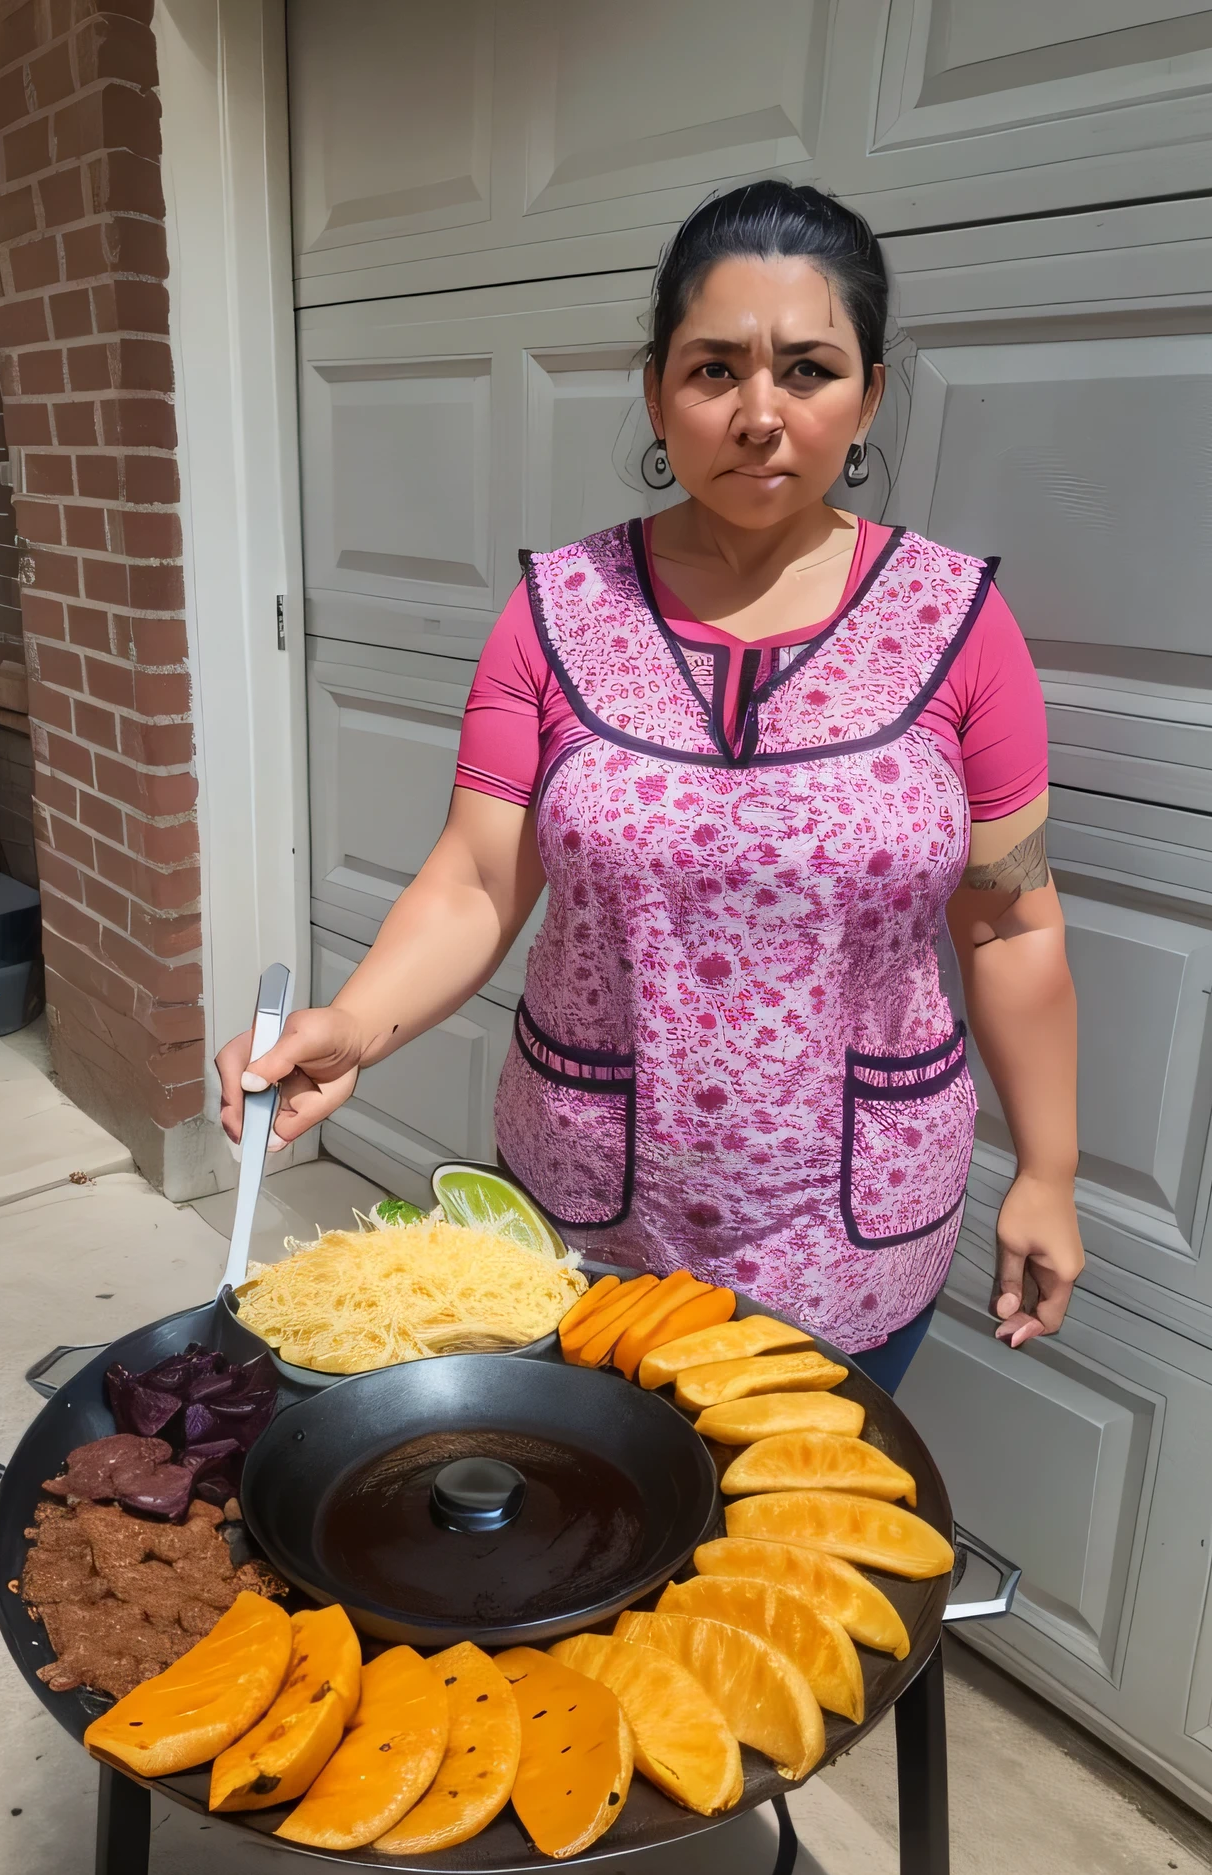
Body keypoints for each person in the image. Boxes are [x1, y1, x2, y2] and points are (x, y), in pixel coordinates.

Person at [218, 178, 1081, 1394]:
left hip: (857, 1213)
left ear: (871, 392)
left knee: (790, 1546)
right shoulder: (557, 611)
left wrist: (1048, 1168)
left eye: (809, 370)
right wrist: (357, 1023)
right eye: (714, 369)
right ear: (655, 391)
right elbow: (476, 875)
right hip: (590, 1211)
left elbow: (1009, 920)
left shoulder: (958, 623)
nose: (759, 414)